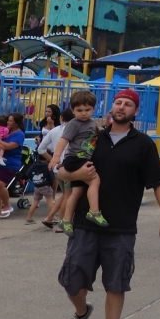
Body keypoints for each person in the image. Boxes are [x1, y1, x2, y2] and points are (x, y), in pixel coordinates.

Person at [56, 88, 160, 319]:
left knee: (116, 284)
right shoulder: (93, 136)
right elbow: (62, 171)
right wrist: (77, 174)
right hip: (85, 222)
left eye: (128, 104)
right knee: (72, 280)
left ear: (135, 111)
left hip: (121, 226)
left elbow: (157, 182)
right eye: (118, 102)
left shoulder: (142, 143)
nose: (121, 107)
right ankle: (82, 311)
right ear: (111, 108)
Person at [49, 90, 106, 233]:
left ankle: (67, 220)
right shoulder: (74, 124)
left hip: (82, 158)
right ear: (73, 110)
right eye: (79, 110)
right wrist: (56, 157)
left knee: (76, 191)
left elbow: (94, 133)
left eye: (87, 110)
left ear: (93, 109)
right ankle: (94, 211)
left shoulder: (92, 123)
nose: (84, 113)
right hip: (76, 158)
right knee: (94, 181)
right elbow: (64, 140)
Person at [0, 112, 25, 219]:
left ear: (17, 123)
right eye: (8, 120)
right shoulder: (5, 130)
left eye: (11, 121)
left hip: (9, 163)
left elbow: (7, 146)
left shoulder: (19, 134)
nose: (8, 122)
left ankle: (7, 205)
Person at [37, 108, 73, 228]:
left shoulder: (54, 131)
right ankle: (62, 223)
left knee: (64, 194)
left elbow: (41, 149)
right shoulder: (75, 130)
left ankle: (50, 217)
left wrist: (52, 159)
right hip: (70, 167)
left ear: (61, 117)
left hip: (57, 168)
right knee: (67, 195)